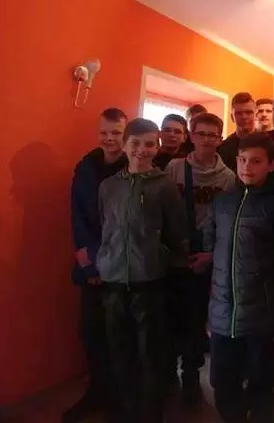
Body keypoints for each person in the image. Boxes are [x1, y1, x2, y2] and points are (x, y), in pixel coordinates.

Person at [97, 118, 190, 423]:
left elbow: (177, 231)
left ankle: (150, 414)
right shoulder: (108, 186)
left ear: (157, 147)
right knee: (119, 351)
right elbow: (105, 227)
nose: (142, 150)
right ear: (124, 145)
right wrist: (104, 261)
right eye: (135, 143)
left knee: (150, 354)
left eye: (149, 144)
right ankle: (125, 411)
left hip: (149, 281)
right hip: (113, 280)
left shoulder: (164, 186)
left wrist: (165, 260)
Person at [208, 133, 274, 423]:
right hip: (222, 312)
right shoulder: (222, 202)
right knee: (223, 383)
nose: (247, 167)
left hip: (262, 314)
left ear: (271, 165)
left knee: (262, 384)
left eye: (256, 161)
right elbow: (211, 248)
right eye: (242, 160)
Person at [164, 113, 236, 405]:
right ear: (191, 136)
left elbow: (229, 224)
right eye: (201, 133)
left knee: (196, 320)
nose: (206, 139)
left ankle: (191, 376)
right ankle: (168, 375)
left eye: (212, 135)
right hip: (174, 256)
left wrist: (211, 255)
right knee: (170, 317)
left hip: (207, 257)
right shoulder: (174, 168)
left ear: (220, 139)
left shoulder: (228, 178)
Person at [63, 108, 128, 423]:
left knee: (120, 336)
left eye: (116, 133)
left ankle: (119, 399)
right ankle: (96, 392)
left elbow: (131, 223)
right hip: (91, 265)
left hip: (122, 267)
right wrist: (90, 264)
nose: (109, 138)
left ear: (125, 135)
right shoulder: (86, 167)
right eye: (104, 132)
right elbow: (78, 215)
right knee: (91, 332)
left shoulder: (135, 167)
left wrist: (110, 263)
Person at [218, 92, 258, 171]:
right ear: (232, 117)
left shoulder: (267, 143)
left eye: (248, 112)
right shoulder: (223, 148)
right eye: (239, 113)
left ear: (256, 115)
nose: (244, 117)